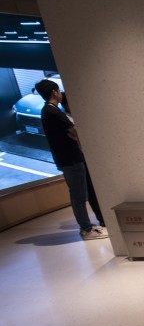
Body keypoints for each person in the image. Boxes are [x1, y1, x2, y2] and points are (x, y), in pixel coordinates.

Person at [35, 79, 107, 240]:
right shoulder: (52, 111)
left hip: (69, 158)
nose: (60, 93)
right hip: (71, 159)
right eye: (58, 90)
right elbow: (74, 133)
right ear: (54, 92)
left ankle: (89, 226)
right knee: (79, 195)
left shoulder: (48, 111)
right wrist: (74, 135)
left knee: (80, 193)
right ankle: (87, 229)